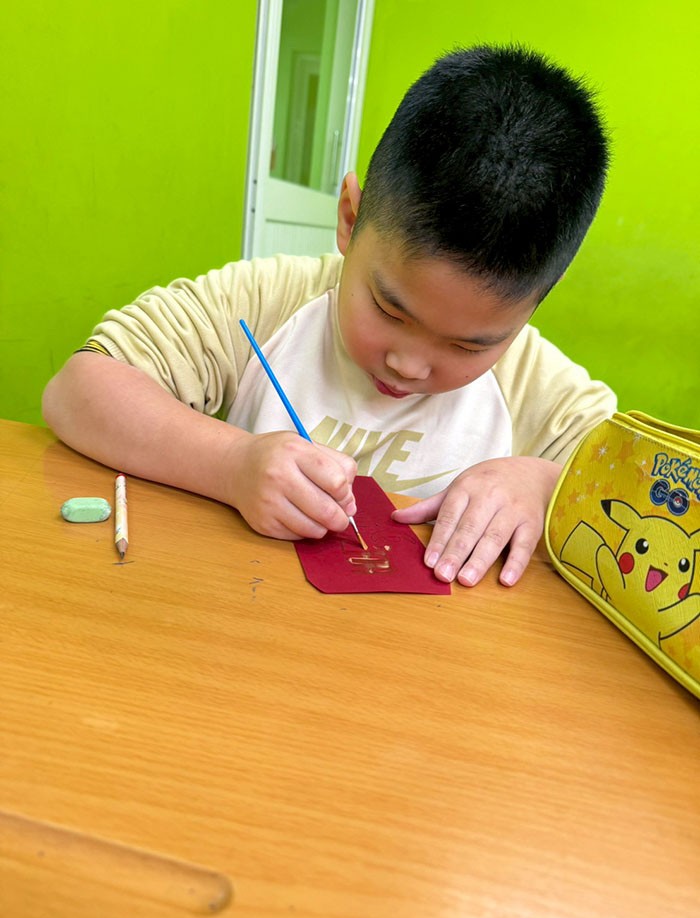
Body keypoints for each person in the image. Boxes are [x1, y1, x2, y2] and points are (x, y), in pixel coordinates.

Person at [42, 44, 616, 588]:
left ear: (538, 299)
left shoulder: (535, 384)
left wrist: (545, 486)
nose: (409, 365)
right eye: (389, 309)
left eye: (469, 346)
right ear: (349, 219)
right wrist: (232, 464)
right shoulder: (271, 301)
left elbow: (645, 501)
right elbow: (79, 390)